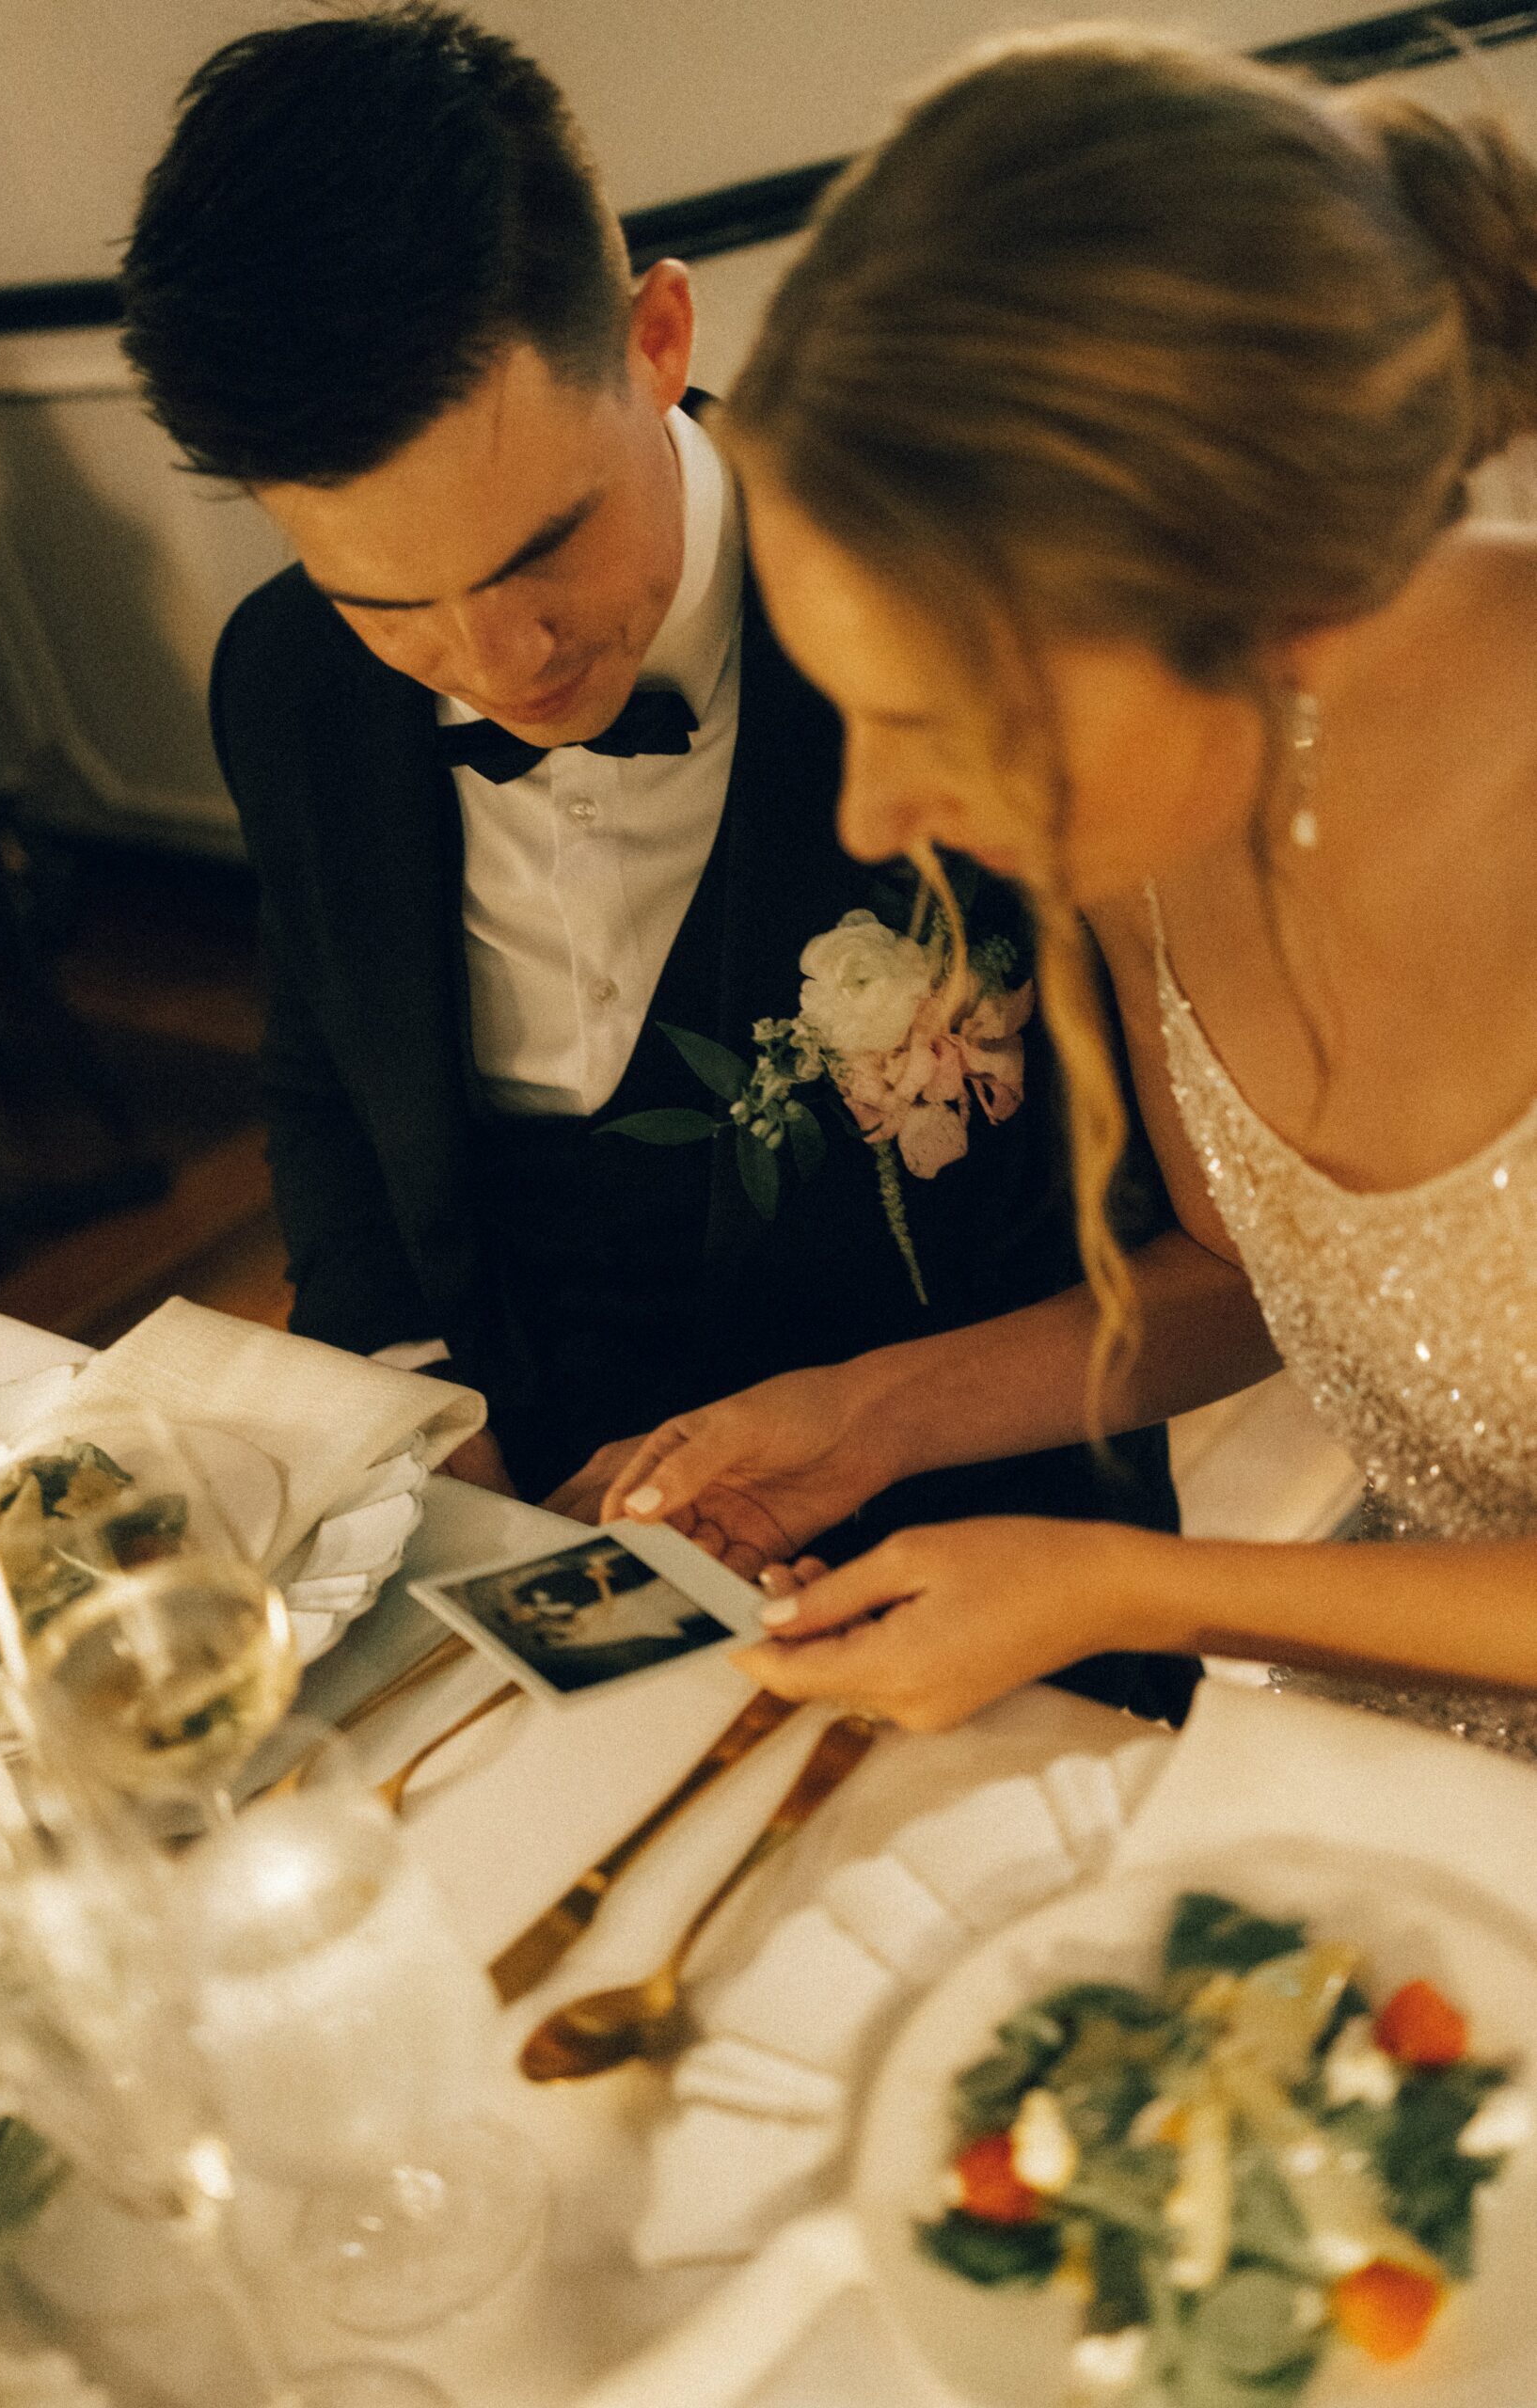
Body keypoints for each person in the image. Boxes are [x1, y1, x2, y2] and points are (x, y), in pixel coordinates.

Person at [119, 7, 1213, 1713]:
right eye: (388, 606)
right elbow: (325, 1079)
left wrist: (878, 1420)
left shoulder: (967, 624)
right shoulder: (281, 682)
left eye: (542, 548)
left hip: (986, 1556)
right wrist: (422, 1412)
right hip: (507, 1536)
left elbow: (1209, 1248)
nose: (499, 666)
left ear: (656, 334)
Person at [607, 24, 1537, 1746]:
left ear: (1255, 598)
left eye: (937, 721)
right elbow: (1244, 1277)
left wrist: (1140, 1587)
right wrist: (869, 1421)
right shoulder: (1157, 827)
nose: (882, 818)